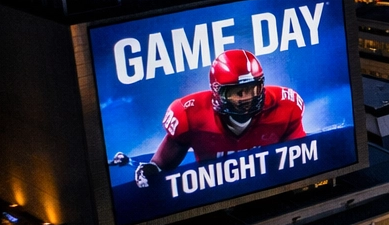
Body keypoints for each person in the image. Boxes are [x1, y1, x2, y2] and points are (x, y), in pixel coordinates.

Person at [120, 50, 306, 186]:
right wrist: (152, 170)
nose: (247, 98)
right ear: (217, 92)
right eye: (237, 92)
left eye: (252, 89)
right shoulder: (189, 115)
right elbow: (161, 165)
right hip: (212, 195)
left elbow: (301, 162)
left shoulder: (285, 106)